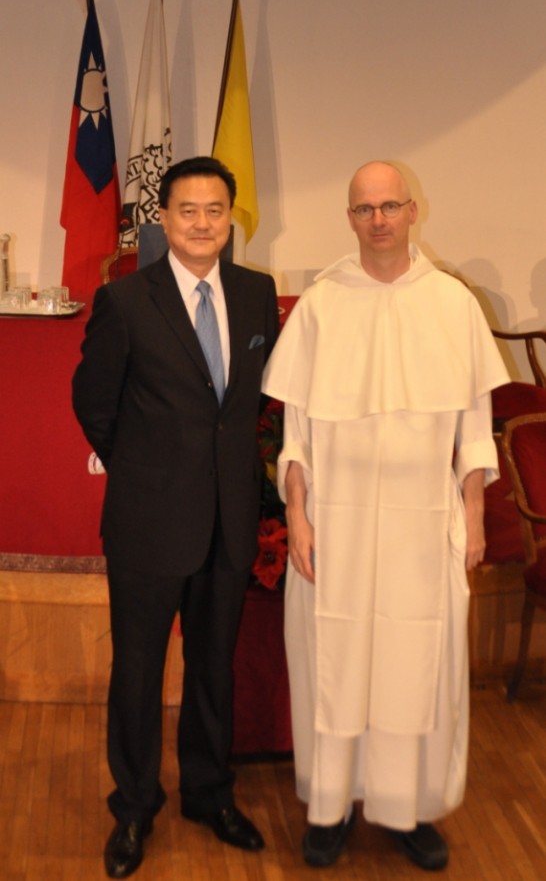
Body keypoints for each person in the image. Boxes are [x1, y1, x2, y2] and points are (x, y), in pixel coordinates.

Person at [262, 161, 509, 871]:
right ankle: (331, 807)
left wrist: (474, 517)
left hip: (422, 524)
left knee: (415, 664)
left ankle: (408, 808)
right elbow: (297, 431)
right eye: (365, 208)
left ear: (411, 211)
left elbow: (473, 427)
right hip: (334, 522)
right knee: (336, 663)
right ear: (350, 217)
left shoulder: (452, 303)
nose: (378, 220)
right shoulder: (322, 303)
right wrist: (298, 515)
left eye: (390, 206)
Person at [72, 156, 279, 878]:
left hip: (230, 519)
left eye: (215, 210)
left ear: (230, 218)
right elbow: (93, 401)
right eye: (187, 210)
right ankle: (133, 807)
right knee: (137, 671)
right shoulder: (126, 300)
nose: (202, 223)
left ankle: (208, 793)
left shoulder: (256, 293)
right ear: (162, 218)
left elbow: (254, 402)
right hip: (149, 522)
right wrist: (143, 472)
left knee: (213, 667)